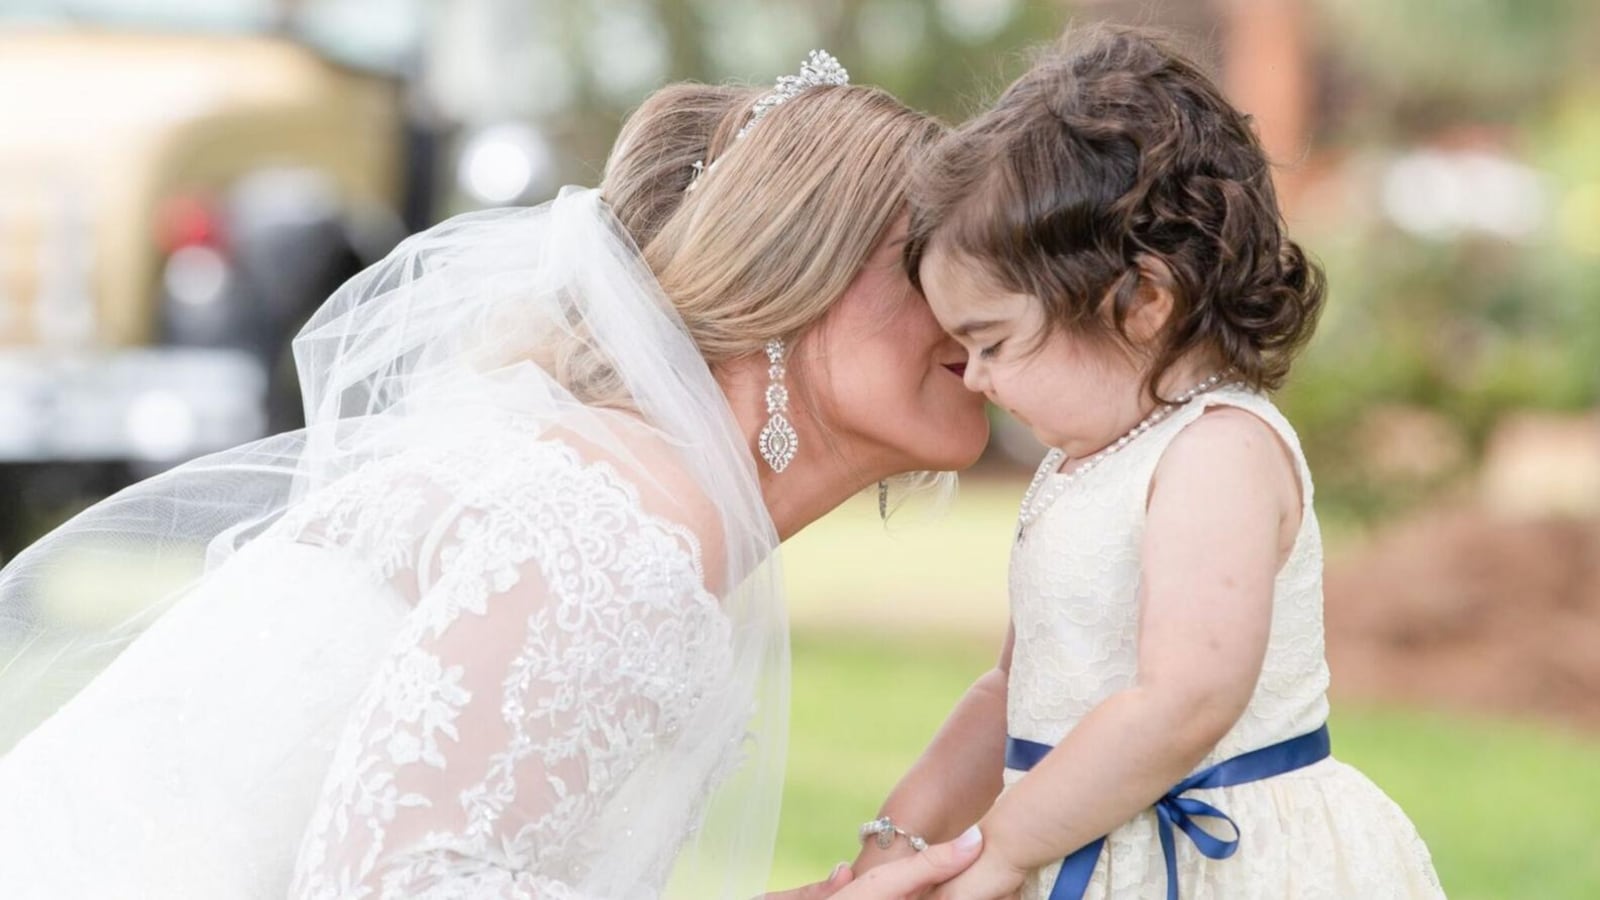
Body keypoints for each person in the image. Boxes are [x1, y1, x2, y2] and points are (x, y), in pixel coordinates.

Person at [0, 52, 990, 898]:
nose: (974, 300)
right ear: (788, 280)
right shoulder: (621, 524)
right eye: (926, 261)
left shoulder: (624, 490)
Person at [851, 26, 1446, 899]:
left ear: (1142, 302)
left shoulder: (1218, 451)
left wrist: (1011, 847)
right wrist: (902, 835)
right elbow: (1011, 692)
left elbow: (1184, 702)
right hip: (1081, 840)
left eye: (994, 342)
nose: (973, 376)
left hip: (1219, 865)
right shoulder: (1079, 467)